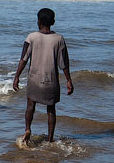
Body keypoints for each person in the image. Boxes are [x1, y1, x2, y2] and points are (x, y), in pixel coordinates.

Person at [12, 8, 74, 144]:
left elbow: (24, 59)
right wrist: (69, 80)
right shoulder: (59, 39)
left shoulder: (32, 37)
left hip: (34, 80)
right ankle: (50, 139)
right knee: (51, 109)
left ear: (38, 21)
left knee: (30, 106)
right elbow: (63, 63)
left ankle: (28, 129)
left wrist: (16, 77)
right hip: (51, 81)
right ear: (53, 22)